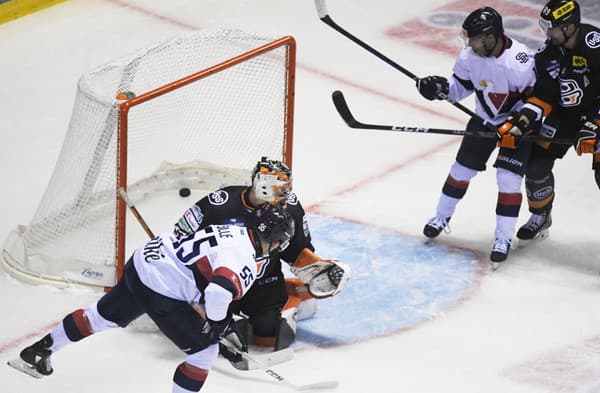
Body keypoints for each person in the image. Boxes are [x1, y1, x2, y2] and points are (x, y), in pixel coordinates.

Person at [9, 204, 295, 392]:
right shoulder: (244, 257)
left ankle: (37, 352)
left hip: (144, 261)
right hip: (162, 287)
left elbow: (205, 276)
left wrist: (222, 323)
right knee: (204, 352)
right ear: (273, 236)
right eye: (281, 240)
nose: (280, 246)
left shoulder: (234, 229)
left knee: (99, 317)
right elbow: (218, 292)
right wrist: (219, 326)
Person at [173, 157, 350, 359]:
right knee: (221, 333)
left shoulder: (289, 208)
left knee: (269, 332)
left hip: (263, 282)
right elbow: (180, 238)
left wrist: (317, 270)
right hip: (220, 282)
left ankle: (291, 296)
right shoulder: (220, 204)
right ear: (264, 185)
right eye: (281, 188)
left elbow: (298, 250)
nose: (287, 194)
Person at [415, 7, 536, 263]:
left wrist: (518, 124)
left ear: (491, 38)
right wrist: (440, 88)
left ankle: (503, 238)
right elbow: (460, 88)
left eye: (474, 38)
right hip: (484, 119)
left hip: (517, 128)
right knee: (460, 171)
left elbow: (536, 101)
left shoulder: (521, 61)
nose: (469, 44)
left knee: (508, 180)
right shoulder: (469, 57)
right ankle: (441, 217)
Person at [498, 0, 600, 241]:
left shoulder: (594, 44)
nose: (547, 33)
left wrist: (596, 124)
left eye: (552, 28)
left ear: (570, 26)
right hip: (566, 116)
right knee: (536, 167)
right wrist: (522, 121)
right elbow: (544, 96)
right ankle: (541, 215)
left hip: (597, 115)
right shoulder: (548, 55)